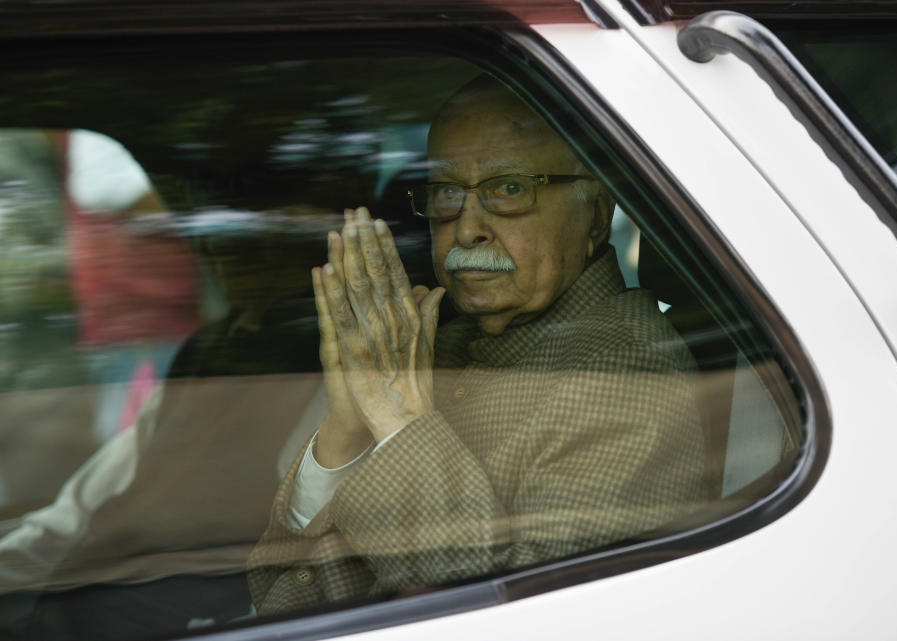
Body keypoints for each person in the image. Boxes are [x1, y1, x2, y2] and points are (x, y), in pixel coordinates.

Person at [247, 76, 707, 614]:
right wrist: (346, 434)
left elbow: (515, 616)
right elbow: (280, 598)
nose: (467, 230)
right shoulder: (431, 344)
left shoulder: (626, 376)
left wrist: (400, 419)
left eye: (510, 188)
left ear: (596, 216)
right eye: (446, 193)